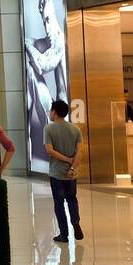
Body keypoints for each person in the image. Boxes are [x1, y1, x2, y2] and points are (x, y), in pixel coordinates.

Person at [43, 100, 84, 244]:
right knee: (72, 199)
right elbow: (79, 152)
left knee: (59, 203)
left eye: (51, 110)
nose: (50, 113)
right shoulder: (75, 129)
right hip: (71, 174)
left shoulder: (49, 128)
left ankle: (64, 234)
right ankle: (75, 222)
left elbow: (49, 150)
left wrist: (66, 160)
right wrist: (72, 167)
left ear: (54, 111)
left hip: (56, 173)